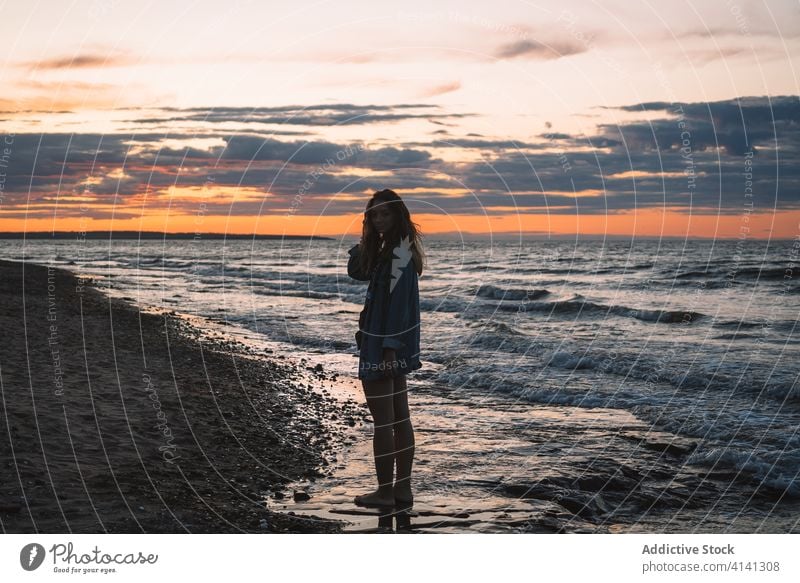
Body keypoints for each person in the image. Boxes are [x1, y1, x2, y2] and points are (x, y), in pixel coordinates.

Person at [347, 188, 425, 509]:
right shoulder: (394, 251)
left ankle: (385, 492)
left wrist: (389, 349)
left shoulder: (397, 255)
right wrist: (365, 243)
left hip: (383, 347)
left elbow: (398, 308)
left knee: (386, 422)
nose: (379, 220)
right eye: (373, 215)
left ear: (398, 215)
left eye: (385, 213)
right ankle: (402, 490)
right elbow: (356, 272)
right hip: (392, 345)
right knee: (399, 419)